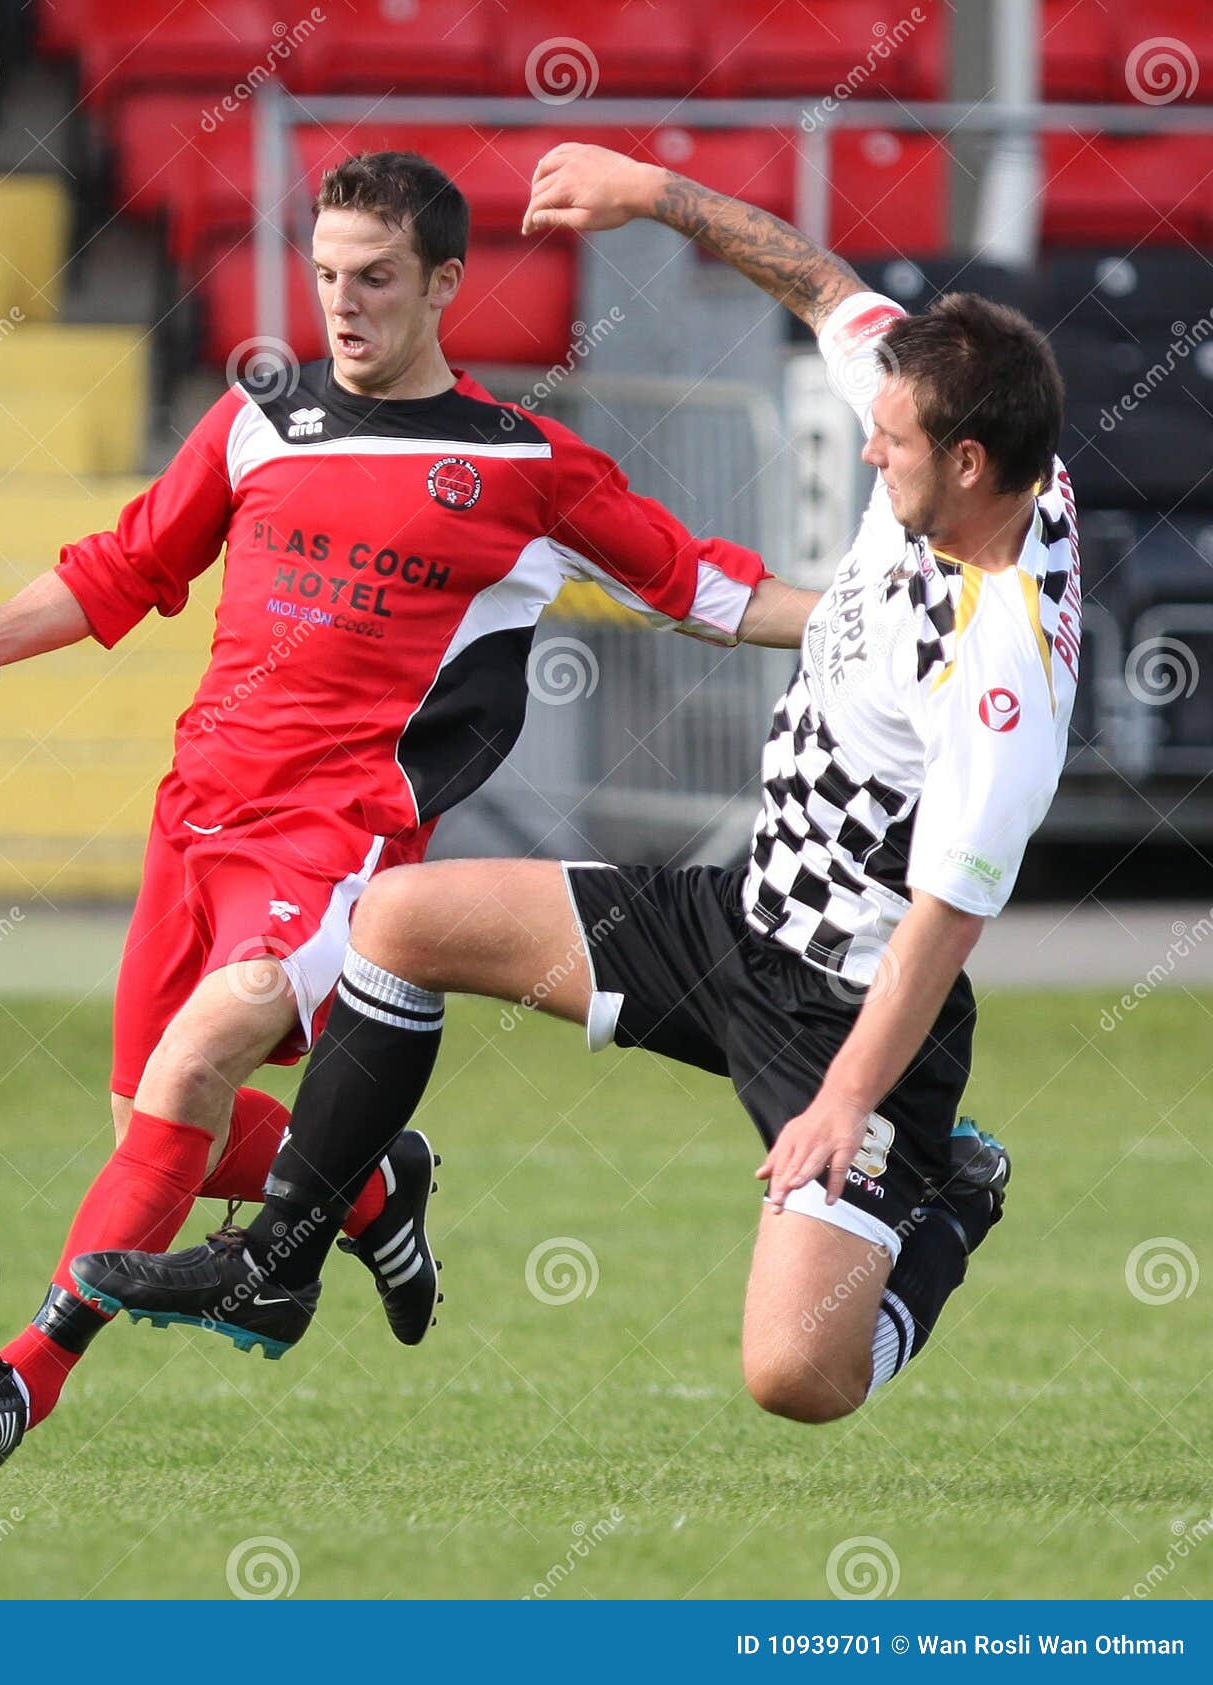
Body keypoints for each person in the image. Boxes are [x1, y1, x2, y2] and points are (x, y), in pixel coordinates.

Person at [72, 142, 1079, 1424]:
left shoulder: (1006, 674)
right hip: (734, 920)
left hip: (852, 1004)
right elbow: (823, 285)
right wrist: (651, 193)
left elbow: (946, 919)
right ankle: (279, 1263)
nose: (869, 457)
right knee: (398, 923)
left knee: (795, 1377)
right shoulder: (959, 415)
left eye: (890, 448)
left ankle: (954, 1198)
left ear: (974, 464)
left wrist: (842, 1101)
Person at [0, 148, 814, 1479]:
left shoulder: (521, 463)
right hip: (195, 816)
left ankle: (24, 1377)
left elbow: (712, 589)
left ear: (443, 283)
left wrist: (885, 630)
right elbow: (126, 563)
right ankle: (375, 1184)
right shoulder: (262, 415)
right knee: (153, 1124)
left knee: (197, 1063)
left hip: (337, 835)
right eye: (324, 277)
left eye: (374, 279)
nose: (343, 306)